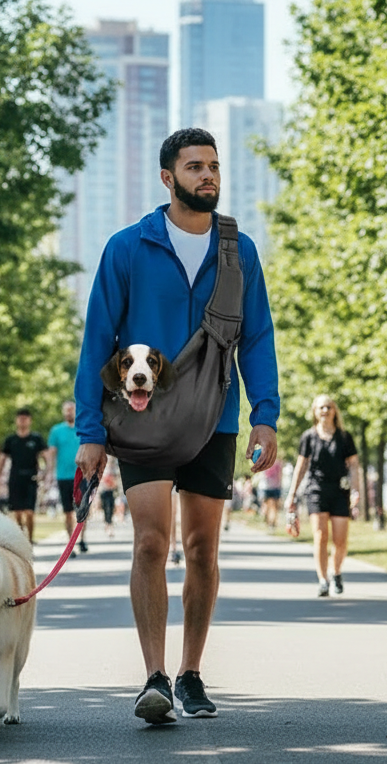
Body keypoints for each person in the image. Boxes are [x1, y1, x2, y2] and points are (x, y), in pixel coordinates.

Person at [74, 128, 280, 726]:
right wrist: (90, 430)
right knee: (148, 542)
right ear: (169, 178)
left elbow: (257, 336)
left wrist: (263, 414)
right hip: (142, 423)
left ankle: (191, 673)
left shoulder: (238, 251)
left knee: (202, 550)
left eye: (214, 166)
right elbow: (97, 345)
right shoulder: (127, 247)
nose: (208, 175)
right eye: (195, 167)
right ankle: (154, 677)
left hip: (214, 418)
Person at [284, 395, 360, 597]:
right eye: (321, 407)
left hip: (339, 491)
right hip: (316, 490)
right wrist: (291, 495)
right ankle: (323, 580)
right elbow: (301, 467)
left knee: (340, 540)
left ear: (335, 411)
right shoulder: (308, 437)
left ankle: (336, 572)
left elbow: (353, 466)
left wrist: (355, 490)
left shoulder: (344, 437)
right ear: (315, 412)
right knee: (320, 536)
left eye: (329, 407)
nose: (325, 410)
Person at [0, 407, 48, 542]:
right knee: (17, 512)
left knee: (29, 511)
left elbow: (45, 457)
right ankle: (20, 538)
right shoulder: (11, 440)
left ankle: (30, 539)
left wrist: (46, 473)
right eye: (20, 418)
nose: (23, 421)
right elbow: (2, 459)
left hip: (31, 478)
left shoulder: (36, 439)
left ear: (30, 421)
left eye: (25, 418)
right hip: (15, 478)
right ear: (16, 421)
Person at [48, 401, 86, 555]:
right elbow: (51, 453)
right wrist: (49, 474)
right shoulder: (56, 431)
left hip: (83, 475)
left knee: (82, 510)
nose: (69, 412)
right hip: (63, 476)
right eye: (67, 410)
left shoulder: (84, 428)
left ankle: (82, 539)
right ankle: (71, 542)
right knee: (68, 512)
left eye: (72, 410)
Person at [261, 457, 283, 530]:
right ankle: (272, 523)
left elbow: (264, 476)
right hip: (275, 487)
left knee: (269, 506)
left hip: (267, 487)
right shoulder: (278, 463)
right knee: (274, 507)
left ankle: (270, 522)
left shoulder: (265, 462)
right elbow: (280, 476)